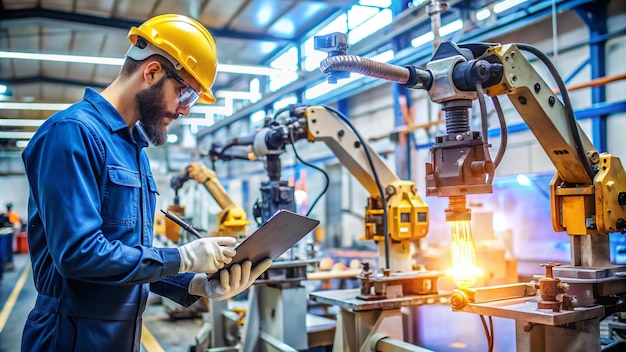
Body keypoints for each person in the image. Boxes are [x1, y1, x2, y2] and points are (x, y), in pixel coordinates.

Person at [20, 14, 272, 352]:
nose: (184, 111)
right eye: (186, 94)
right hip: (69, 336)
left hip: (123, 336)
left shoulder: (134, 151)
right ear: (152, 71)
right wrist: (181, 257)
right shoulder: (72, 133)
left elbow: (125, 255)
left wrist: (194, 284)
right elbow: (78, 255)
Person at [0, 202, 21, 271]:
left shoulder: (11, 215)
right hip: (5, 234)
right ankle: (7, 264)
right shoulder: (5, 214)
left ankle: (8, 264)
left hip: (7, 233)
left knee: (6, 250)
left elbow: (16, 224)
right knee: (6, 250)